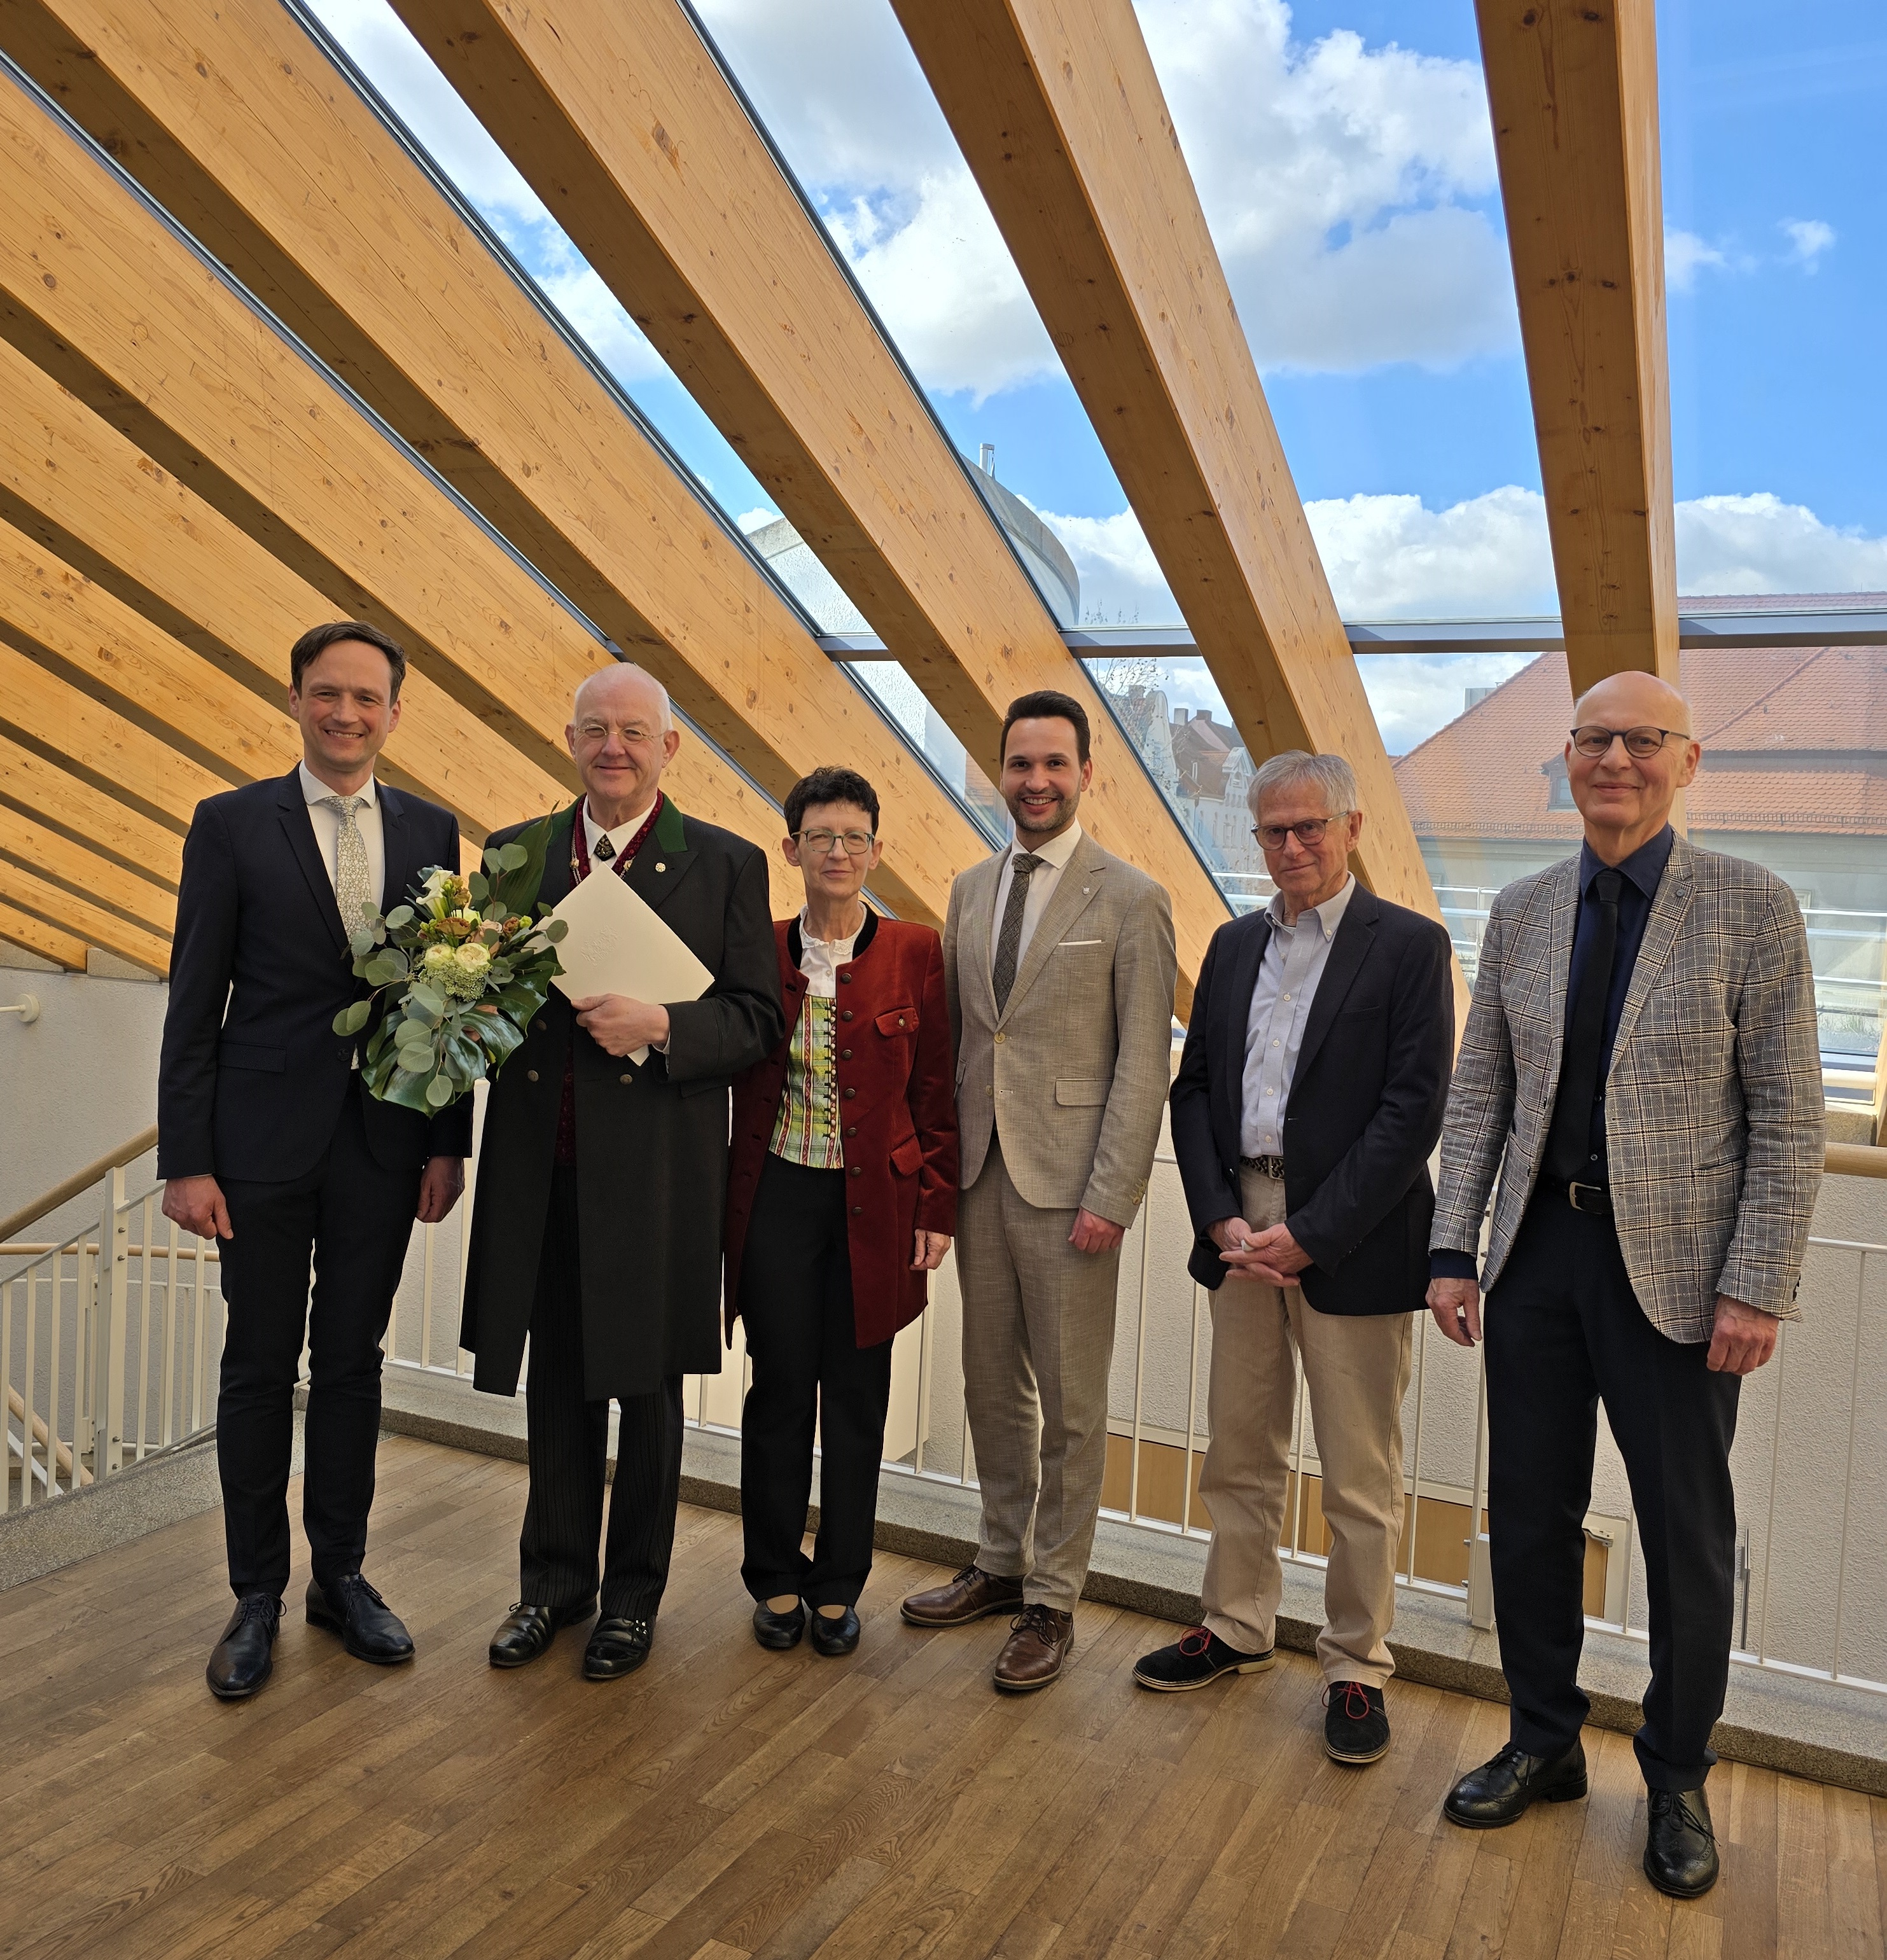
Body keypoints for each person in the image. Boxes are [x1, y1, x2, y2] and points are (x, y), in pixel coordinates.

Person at [1426, 670, 1823, 1898]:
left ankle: (1676, 1773)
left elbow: (1788, 1116)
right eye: (1593, 739)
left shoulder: (1752, 906)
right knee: (1528, 1515)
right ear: (1566, 758)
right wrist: (1450, 1248)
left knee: (1685, 1535)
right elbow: (1480, 1093)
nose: (1615, 760)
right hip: (1535, 1258)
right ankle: (1542, 1739)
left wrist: (1754, 1285)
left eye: (1641, 740)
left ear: (1685, 761)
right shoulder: (1522, 909)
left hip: (1683, 1279)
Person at [159, 621, 471, 1701]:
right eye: (327, 694)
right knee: (258, 1366)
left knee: (351, 1363)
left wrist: (446, 1140)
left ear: (395, 712)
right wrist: (187, 1159)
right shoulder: (230, 823)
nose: (346, 713)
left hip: (384, 1141)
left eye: (366, 698)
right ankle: (255, 1594)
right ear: (294, 699)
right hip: (256, 1148)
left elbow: (448, 995)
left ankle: (341, 1575)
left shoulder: (432, 829)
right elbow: (194, 998)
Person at [463, 664, 781, 1681]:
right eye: (596, 729)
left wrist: (662, 1023)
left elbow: (757, 1021)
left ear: (668, 748)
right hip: (541, 1172)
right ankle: (552, 1585)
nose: (614, 747)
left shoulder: (726, 863)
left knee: (645, 1393)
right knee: (557, 1384)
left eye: (634, 732)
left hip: (655, 1179)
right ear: (569, 740)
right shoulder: (512, 854)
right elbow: (475, 996)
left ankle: (631, 1600)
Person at [1139, 751, 1454, 1765]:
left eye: (1308, 826)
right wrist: (1218, 1215)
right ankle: (1235, 1623)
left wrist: (1313, 1231)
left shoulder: (1409, 946)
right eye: (1272, 830)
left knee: (1359, 1472)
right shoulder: (1233, 945)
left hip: (1347, 1236)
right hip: (1241, 1231)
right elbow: (1194, 1089)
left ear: (1350, 826)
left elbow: (1412, 1110)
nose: (1290, 846)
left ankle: (1356, 1662)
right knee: (1238, 1448)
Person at [902, 690, 1176, 1692]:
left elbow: (1141, 1062)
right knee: (989, 1386)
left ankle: (1053, 1597)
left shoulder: (1132, 897)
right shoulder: (969, 888)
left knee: (1070, 1401)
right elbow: (962, 1039)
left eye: (1055, 763)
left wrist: (1113, 1192)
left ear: (1086, 772)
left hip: (1072, 1191)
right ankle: (998, 1558)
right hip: (979, 1173)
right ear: (1000, 772)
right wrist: (936, 1178)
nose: (1036, 781)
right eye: (1020, 763)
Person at [723, 767, 958, 1657]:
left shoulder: (916, 951)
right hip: (777, 1195)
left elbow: (936, 1092)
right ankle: (774, 1575)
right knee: (780, 1389)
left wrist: (937, 1207)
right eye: (819, 836)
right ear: (791, 849)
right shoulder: (757, 946)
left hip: (879, 1207)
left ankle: (839, 1583)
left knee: (858, 1397)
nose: (837, 852)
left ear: (876, 850)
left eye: (853, 837)